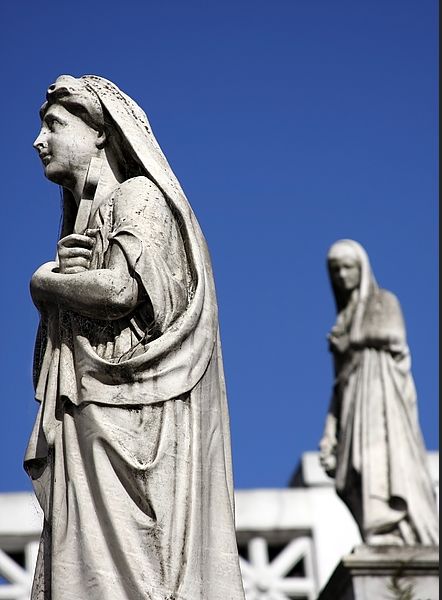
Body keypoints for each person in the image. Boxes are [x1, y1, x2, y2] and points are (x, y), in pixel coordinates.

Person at [26, 75, 245, 600]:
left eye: (53, 125)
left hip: (132, 416)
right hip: (95, 413)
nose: (39, 141)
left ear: (100, 132)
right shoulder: (90, 218)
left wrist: (46, 282)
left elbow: (122, 291)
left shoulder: (138, 194)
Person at [319, 239, 439, 546]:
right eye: (336, 270)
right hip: (352, 405)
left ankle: (391, 528)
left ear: (362, 269)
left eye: (348, 268)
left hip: (380, 399)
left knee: (377, 459)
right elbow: (338, 386)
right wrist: (330, 432)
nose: (343, 276)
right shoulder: (341, 322)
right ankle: (375, 531)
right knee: (350, 478)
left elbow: (394, 334)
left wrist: (351, 340)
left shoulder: (383, 302)